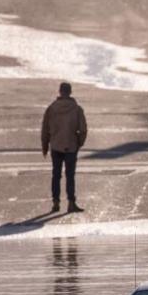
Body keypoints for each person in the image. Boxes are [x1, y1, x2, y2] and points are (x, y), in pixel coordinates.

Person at [41, 82, 88, 213]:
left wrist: (45, 145)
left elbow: (45, 129)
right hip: (71, 146)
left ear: (60, 91)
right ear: (70, 92)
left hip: (56, 146)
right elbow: (83, 129)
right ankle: (71, 203)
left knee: (56, 175)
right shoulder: (77, 109)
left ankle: (56, 203)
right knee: (70, 175)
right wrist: (79, 143)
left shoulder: (51, 108)